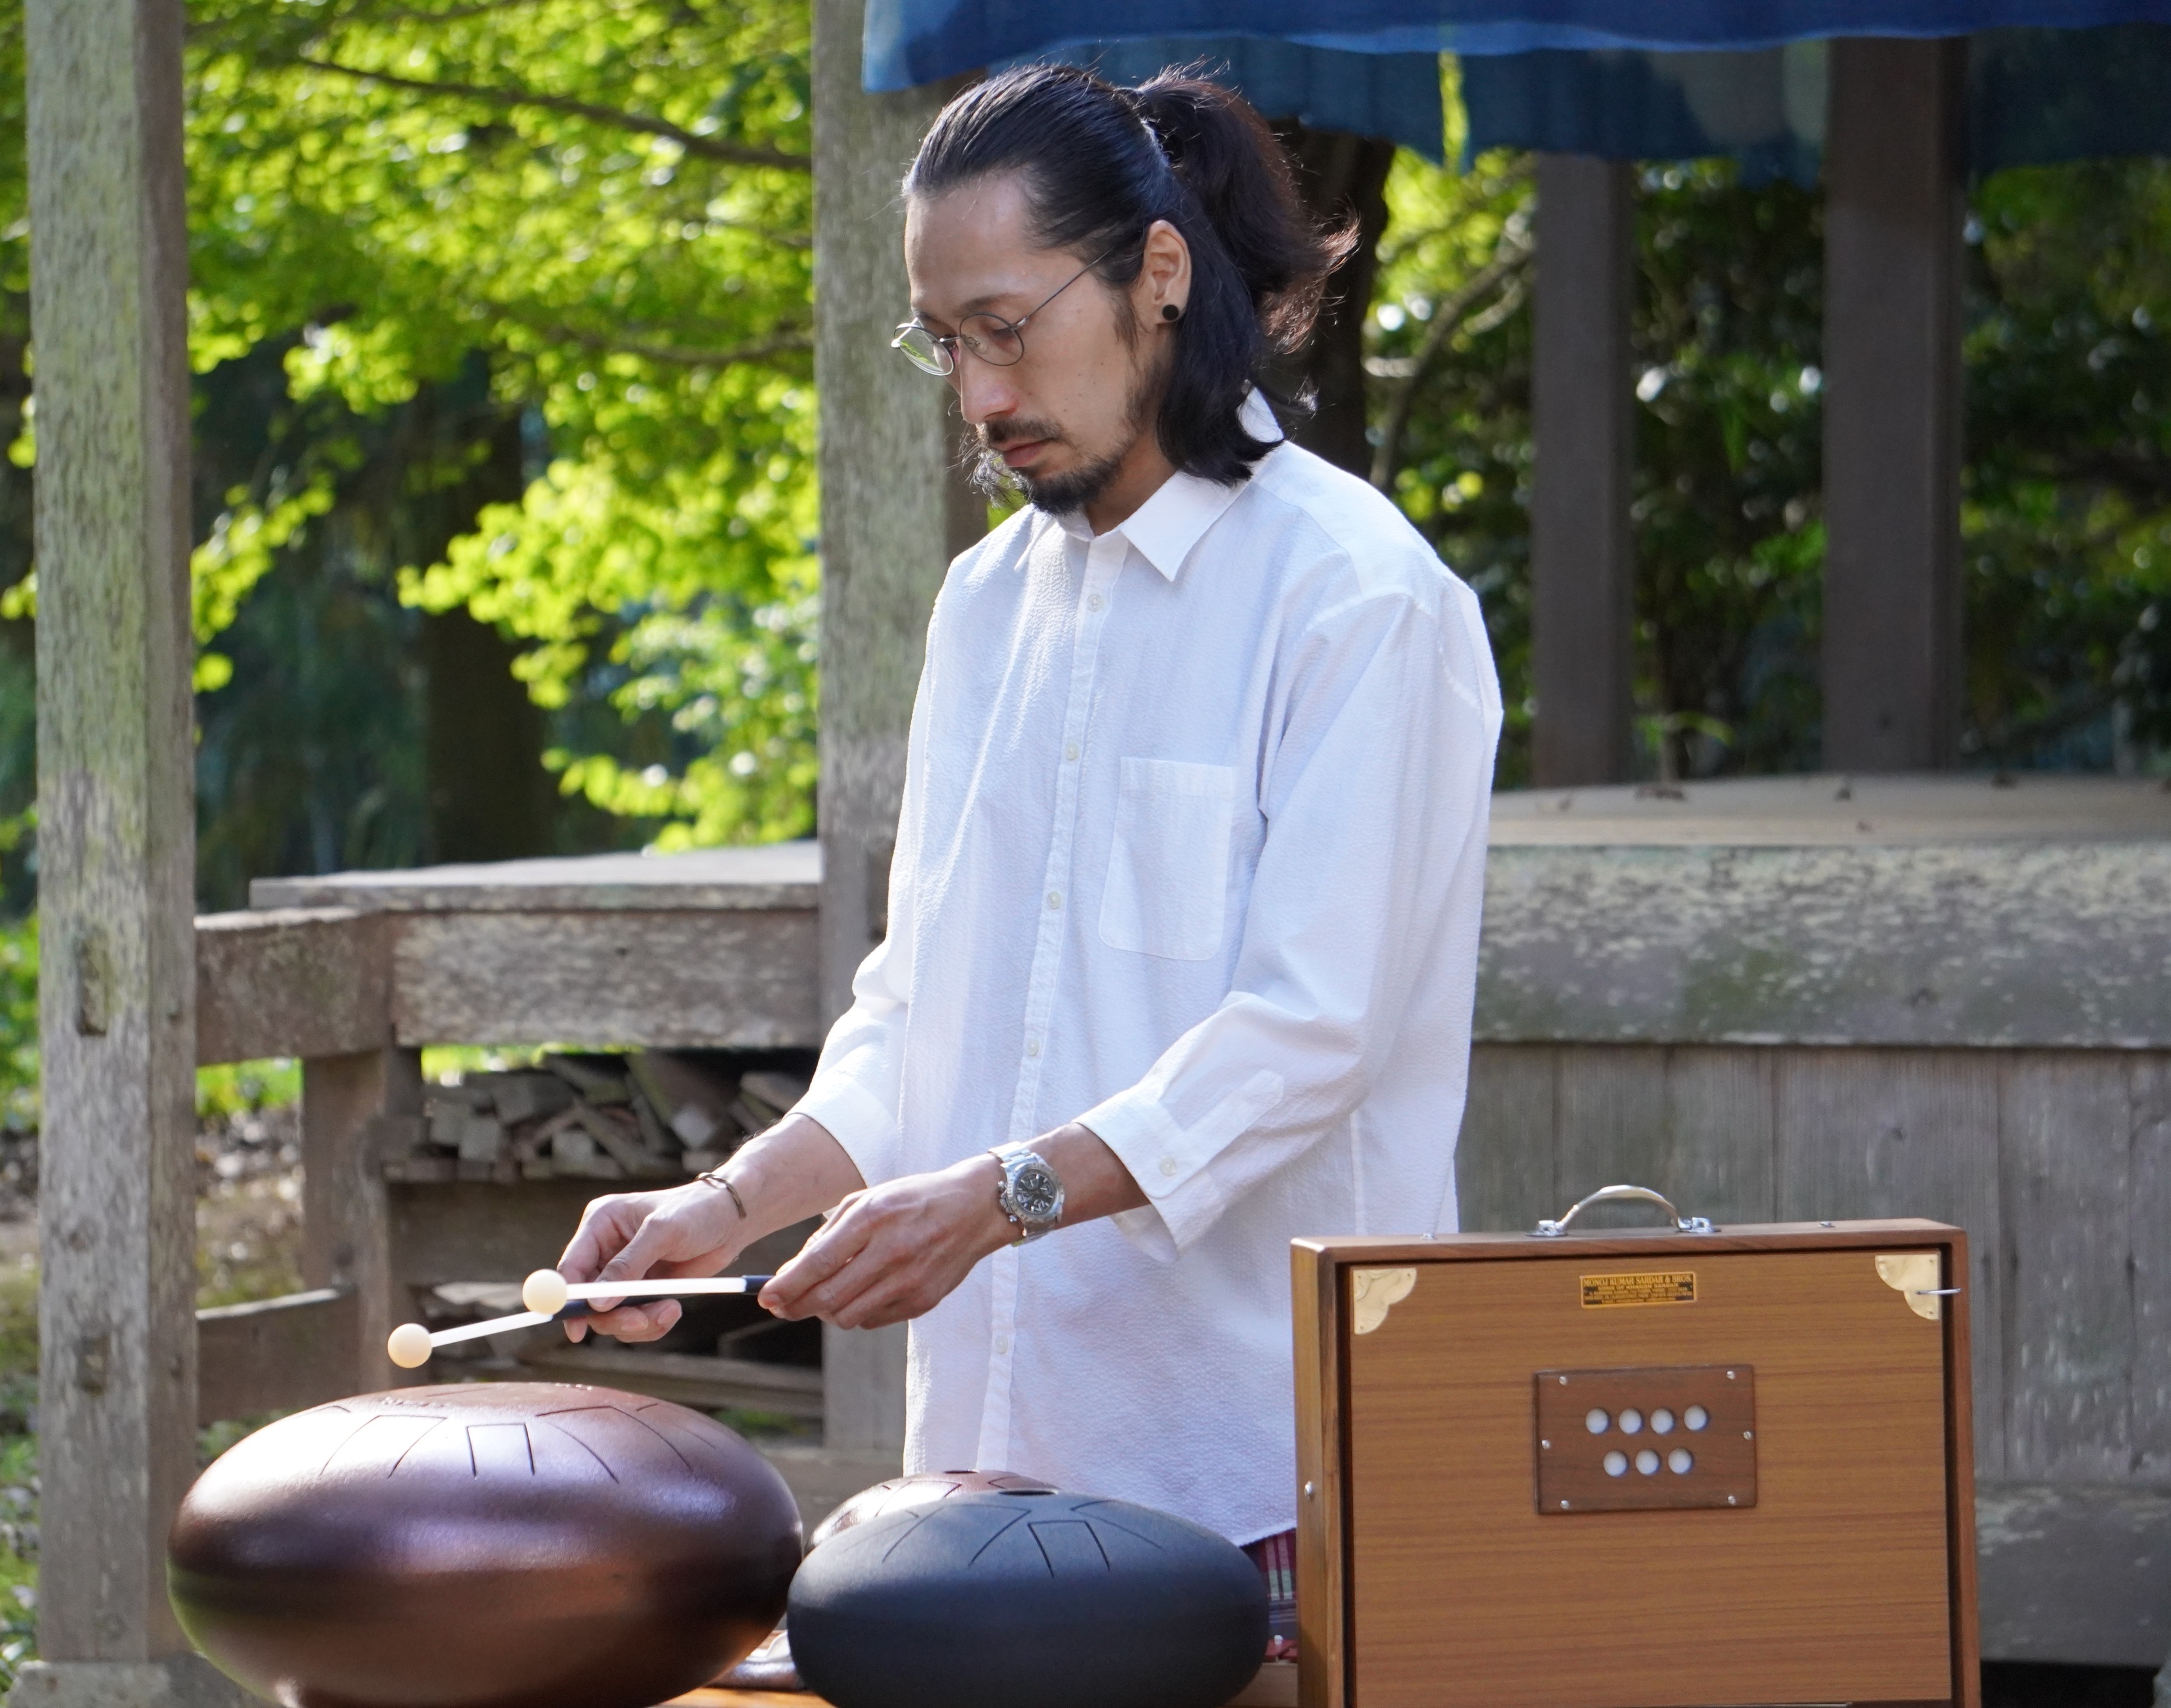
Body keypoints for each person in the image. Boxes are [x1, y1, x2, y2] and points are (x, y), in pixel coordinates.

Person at [555, 62, 1501, 1647]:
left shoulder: (1356, 599)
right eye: (947, 343)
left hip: (1269, 1462)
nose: (981, 395)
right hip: (994, 1471)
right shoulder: (987, 610)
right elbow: (922, 1011)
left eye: (1009, 327)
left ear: (1158, 275)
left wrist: (998, 1199)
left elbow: (1307, 1035)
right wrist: (730, 1204)